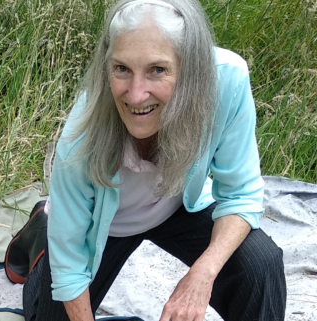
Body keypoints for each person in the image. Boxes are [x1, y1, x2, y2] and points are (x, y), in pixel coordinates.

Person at [20, 0, 287, 320]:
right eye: (122, 69)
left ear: (191, 69)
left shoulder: (226, 81)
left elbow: (240, 194)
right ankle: (46, 225)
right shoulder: (82, 131)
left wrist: (201, 277)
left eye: (157, 70)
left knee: (261, 265)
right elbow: (69, 265)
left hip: (178, 206)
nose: (135, 95)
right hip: (105, 225)